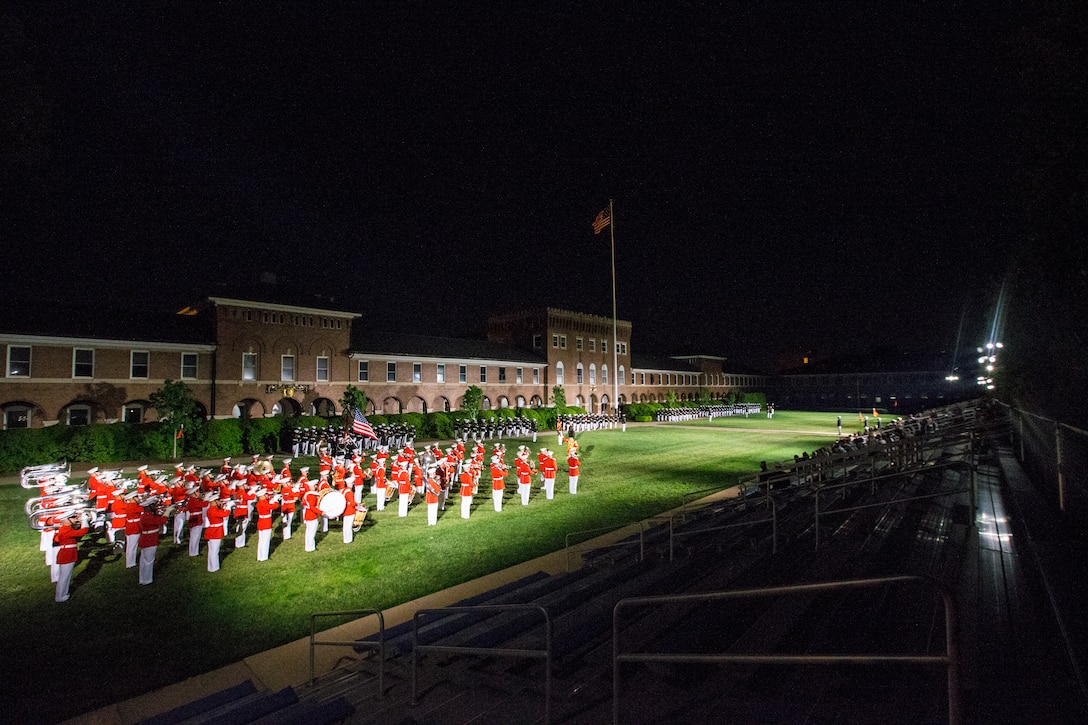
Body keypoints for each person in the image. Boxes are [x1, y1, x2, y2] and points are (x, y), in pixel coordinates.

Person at [53, 512, 89, 602]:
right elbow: (83, 531)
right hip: (67, 555)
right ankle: (61, 596)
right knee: (64, 577)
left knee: (64, 576)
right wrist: (84, 520)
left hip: (67, 553)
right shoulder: (65, 530)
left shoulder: (65, 528)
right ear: (66, 520)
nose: (74, 519)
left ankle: (62, 594)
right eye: (72, 518)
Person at [137, 502, 168, 585]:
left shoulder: (145, 516)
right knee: (149, 561)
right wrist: (168, 511)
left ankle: (142, 579)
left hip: (145, 539)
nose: (155, 507)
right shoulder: (148, 517)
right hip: (150, 540)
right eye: (153, 505)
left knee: (143, 560)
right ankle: (147, 580)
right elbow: (162, 520)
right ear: (149, 507)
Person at [204, 495, 230, 572]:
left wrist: (222, 507)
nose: (219, 502)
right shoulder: (213, 510)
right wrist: (228, 507)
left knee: (212, 550)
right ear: (214, 501)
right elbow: (225, 514)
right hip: (215, 532)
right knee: (215, 551)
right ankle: (214, 567)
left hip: (213, 530)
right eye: (218, 500)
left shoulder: (212, 509)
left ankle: (211, 566)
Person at [254, 488, 280, 561]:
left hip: (261, 522)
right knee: (265, 540)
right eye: (265, 494)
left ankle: (260, 556)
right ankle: (264, 557)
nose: (266, 495)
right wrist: (275, 500)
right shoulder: (263, 503)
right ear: (261, 496)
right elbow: (275, 506)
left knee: (261, 540)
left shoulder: (261, 502)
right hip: (266, 522)